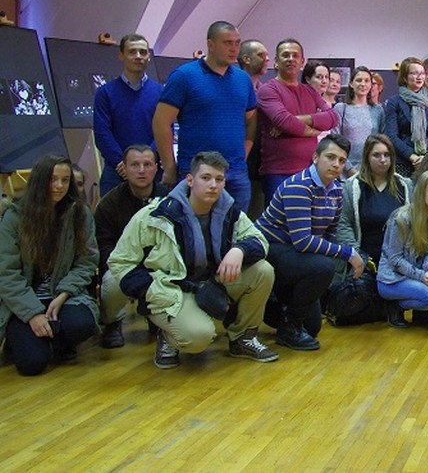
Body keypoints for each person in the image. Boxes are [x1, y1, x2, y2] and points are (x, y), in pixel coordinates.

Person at [108, 151, 278, 368]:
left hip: (212, 282)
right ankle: (168, 336)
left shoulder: (229, 211)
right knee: (199, 337)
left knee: (263, 271)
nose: (213, 185)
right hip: (170, 291)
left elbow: (260, 241)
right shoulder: (155, 215)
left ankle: (243, 338)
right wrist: (150, 291)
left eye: (219, 179)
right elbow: (120, 261)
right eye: (206, 178)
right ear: (190, 180)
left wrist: (239, 250)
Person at [255, 135, 363, 351]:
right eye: (330, 157)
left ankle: (277, 308)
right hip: (268, 250)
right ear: (315, 157)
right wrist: (349, 253)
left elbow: (329, 234)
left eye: (342, 161)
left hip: (295, 254)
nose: (336, 164)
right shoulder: (299, 185)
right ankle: (287, 325)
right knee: (323, 267)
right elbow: (303, 241)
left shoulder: (337, 190)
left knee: (312, 327)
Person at [0, 155, 99, 376]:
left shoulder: (80, 213)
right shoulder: (14, 217)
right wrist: (32, 313)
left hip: (61, 296)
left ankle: (58, 342)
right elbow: (6, 274)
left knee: (82, 324)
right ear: (39, 181)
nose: (59, 186)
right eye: (53, 179)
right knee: (32, 364)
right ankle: (24, 340)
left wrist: (64, 293)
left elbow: (87, 262)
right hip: (24, 300)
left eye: (65, 180)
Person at [153, 21, 258, 212]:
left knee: (236, 225)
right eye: (227, 43)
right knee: (194, 225)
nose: (234, 48)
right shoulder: (184, 76)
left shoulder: (243, 79)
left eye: (237, 43)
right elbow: (161, 123)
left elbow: (251, 120)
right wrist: (169, 166)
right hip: (196, 170)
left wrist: (244, 152)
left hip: (235, 171)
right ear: (210, 44)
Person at [94, 145, 169, 348]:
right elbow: (103, 246)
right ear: (124, 169)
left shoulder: (169, 200)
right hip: (123, 266)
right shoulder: (109, 204)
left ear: (156, 168)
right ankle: (112, 322)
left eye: (147, 164)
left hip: (160, 266)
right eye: (135, 165)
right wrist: (130, 268)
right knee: (113, 281)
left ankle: (156, 316)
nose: (142, 170)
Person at [257, 39, 339, 200]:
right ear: (276, 61)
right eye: (285, 55)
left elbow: (333, 117)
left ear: (302, 61)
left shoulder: (310, 91)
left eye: (295, 56)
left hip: (310, 171)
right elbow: (284, 122)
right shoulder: (268, 90)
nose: (291, 59)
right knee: (279, 216)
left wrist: (296, 119)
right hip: (278, 173)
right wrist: (314, 131)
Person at [376, 169, 428, 329]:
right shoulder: (401, 219)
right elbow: (395, 260)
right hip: (392, 279)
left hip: (416, 270)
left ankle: (421, 313)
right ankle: (394, 306)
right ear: (421, 193)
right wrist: (421, 276)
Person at [93, 33, 162, 196]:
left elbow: (165, 129)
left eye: (143, 52)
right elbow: (102, 133)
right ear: (121, 55)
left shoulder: (161, 92)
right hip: (117, 171)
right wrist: (124, 164)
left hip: (152, 172)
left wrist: (147, 162)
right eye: (132, 52)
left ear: (149, 56)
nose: (138, 56)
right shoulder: (105, 93)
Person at [334, 133, 413, 264]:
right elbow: (343, 225)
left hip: (399, 261)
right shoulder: (352, 186)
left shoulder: (405, 185)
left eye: (387, 155)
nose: (383, 159)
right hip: (363, 261)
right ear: (367, 157)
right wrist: (358, 256)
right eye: (376, 155)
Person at [383, 56, 428, 177]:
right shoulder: (394, 102)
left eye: (422, 73)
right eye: (414, 73)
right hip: (403, 161)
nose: (419, 77)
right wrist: (412, 156)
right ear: (404, 77)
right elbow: (391, 135)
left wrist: (427, 158)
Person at [332, 66, 385, 176]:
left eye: (367, 81)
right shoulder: (341, 108)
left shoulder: (378, 110)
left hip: (372, 171)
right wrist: (350, 169)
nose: (363, 84)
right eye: (359, 80)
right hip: (345, 172)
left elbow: (382, 141)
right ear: (351, 84)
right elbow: (335, 141)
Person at [238, 39, 270, 216]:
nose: (267, 59)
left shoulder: (265, 91)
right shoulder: (234, 87)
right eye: (261, 55)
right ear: (246, 59)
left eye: (267, 55)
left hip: (259, 163)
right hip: (238, 160)